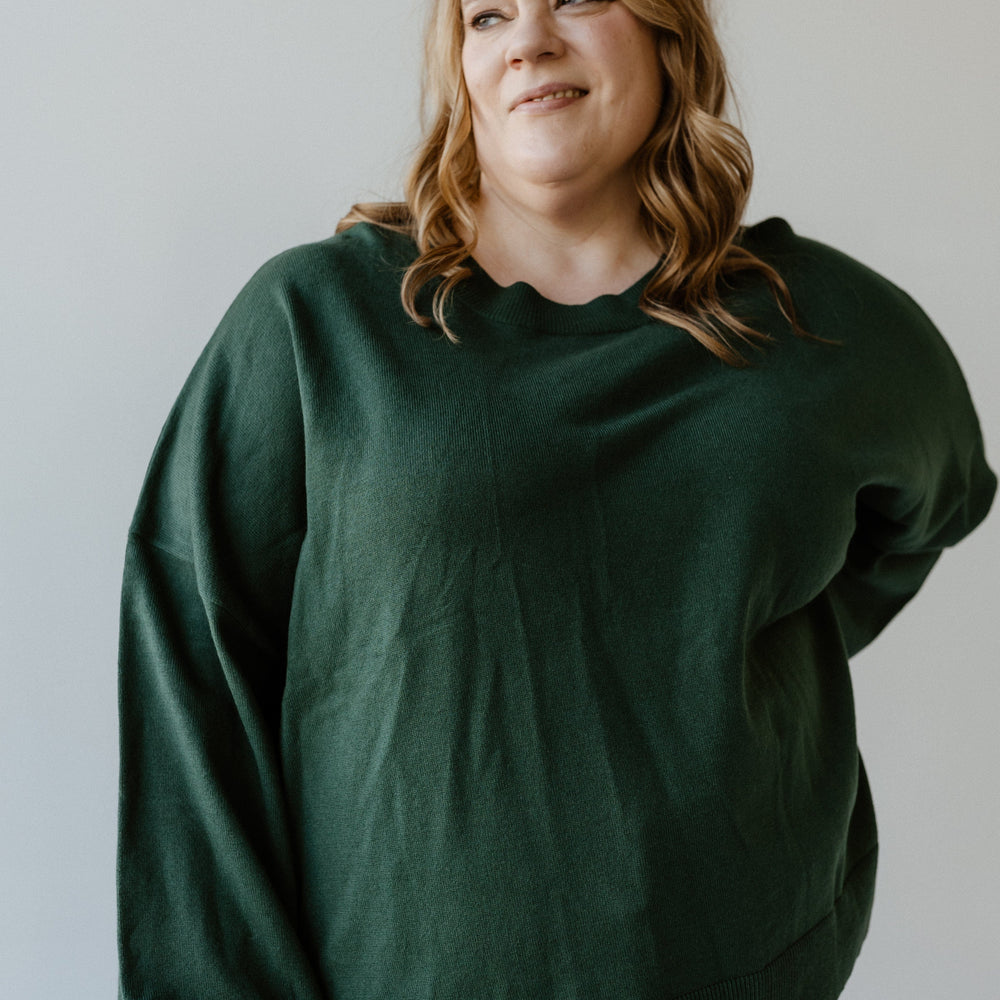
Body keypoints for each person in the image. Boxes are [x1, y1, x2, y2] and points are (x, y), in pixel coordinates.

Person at [116, 0, 996, 997]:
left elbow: (934, 503)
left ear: (669, 30)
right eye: (487, 15)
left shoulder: (820, 331)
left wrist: (717, 638)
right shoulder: (319, 325)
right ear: (459, 62)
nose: (528, 40)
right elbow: (194, 667)